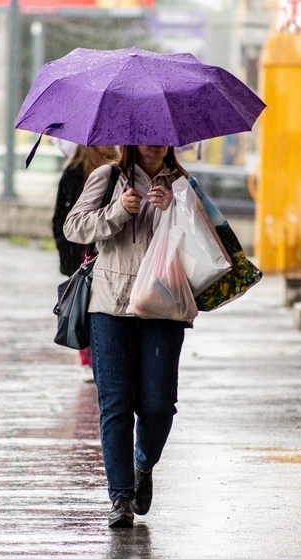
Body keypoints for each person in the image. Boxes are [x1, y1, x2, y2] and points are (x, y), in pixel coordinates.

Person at [63, 145, 189, 528]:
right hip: (111, 305)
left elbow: (206, 238)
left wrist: (176, 210)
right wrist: (119, 211)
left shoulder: (182, 185)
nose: (153, 141)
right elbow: (74, 226)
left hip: (163, 305)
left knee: (159, 405)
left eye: (161, 134)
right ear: (131, 137)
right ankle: (120, 496)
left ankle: (142, 462)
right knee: (116, 405)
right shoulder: (106, 177)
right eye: (145, 133)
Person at [52, 145, 117, 373]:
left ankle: (102, 355)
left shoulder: (119, 169)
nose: (111, 143)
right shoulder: (74, 171)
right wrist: (66, 249)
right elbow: (62, 215)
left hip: (110, 245)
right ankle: (87, 358)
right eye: (105, 139)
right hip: (82, 249)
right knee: (84, 303)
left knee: (103, 304)